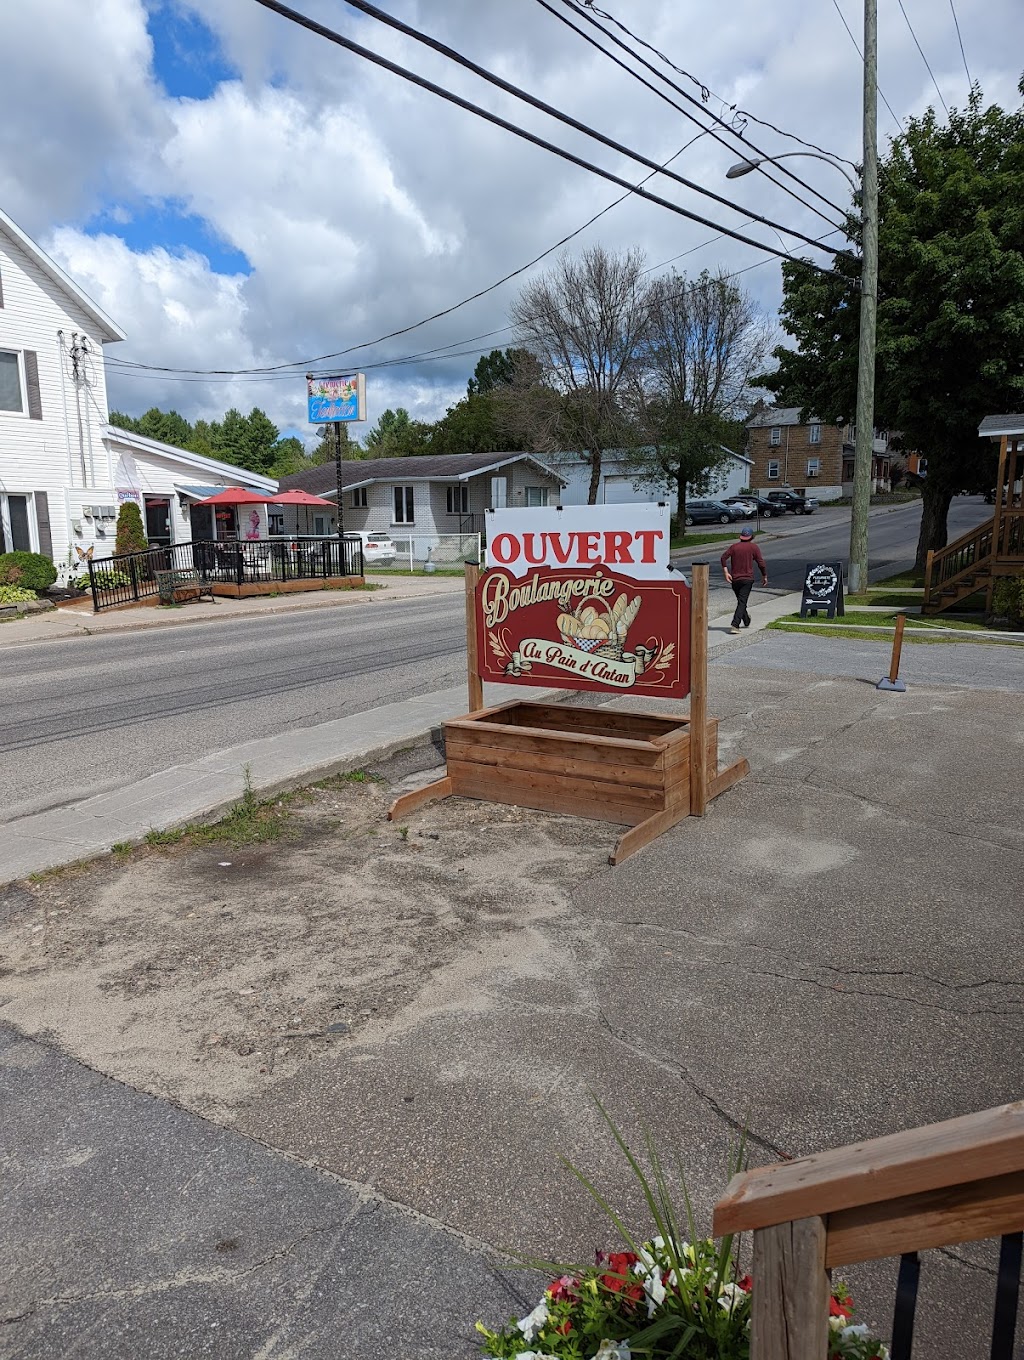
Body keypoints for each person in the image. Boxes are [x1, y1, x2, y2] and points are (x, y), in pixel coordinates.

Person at [720, 526, 768, 633]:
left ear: (741, 537)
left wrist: (726, 572)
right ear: (751, 537)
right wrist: (764, 575)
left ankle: (746, 620)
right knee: (742, 602)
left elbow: (723, 558)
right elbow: (761, 563)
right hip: (747, 579)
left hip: (735, 579)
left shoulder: (734, 547)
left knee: (741, 601)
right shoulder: (753, 547)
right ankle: (735, 625)